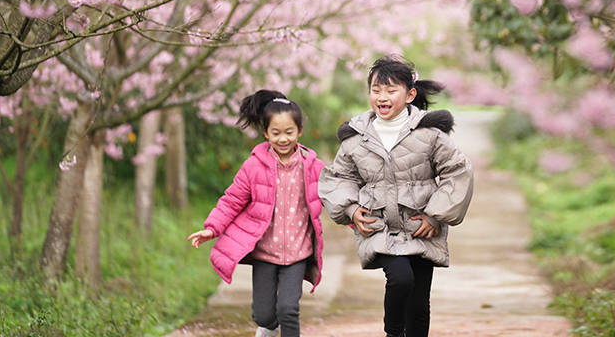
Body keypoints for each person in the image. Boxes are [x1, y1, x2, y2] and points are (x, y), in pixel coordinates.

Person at [318, 56, 474, 337]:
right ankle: (392, 333)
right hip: (380, 229)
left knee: (418, 302)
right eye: (376, 90)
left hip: (421, 229)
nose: (382, 97)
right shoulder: (357, 137)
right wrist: (351, 209)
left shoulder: (430, 134)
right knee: (401, 280)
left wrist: (434, 214)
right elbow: (339, 178)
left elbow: (457, 172)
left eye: (391, 90)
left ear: (410, 94)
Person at [187, 90, 325, 337]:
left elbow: (336, 196)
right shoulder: (253, 166)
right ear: (265, 133)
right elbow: (232, 200)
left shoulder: (312, 166)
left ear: (300, 131)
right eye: (276, 133)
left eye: (289, 132)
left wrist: (356, 218)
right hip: (265, 253)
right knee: (264, 315)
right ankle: (269, 328)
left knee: (289, 309)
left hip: (298, 252)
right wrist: (212, 228)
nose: (283, 139)